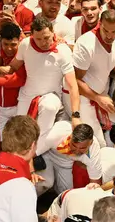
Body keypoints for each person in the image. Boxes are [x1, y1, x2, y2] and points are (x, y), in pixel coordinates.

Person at [69, 9, 115, 146]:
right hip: (81, 97)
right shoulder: (86, 43)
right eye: (106, 31)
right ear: (99, 24)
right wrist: (98, 98)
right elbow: (74, 81)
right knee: (98, 143)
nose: (110, 36)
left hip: (101, 94)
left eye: (114, 31)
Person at [9, 16, 81, 155]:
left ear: (54, 33)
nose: (43, 42)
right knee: (18, 135)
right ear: (32, 36)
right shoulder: (25, 44)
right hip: (26, 96)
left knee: (49, 107)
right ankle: (21, 161)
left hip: (51, 96)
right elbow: (12, 67)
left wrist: (76, 115)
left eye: (46, 38)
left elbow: (72, 85)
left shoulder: (63, 51)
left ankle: (30, 157)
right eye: (39, 39)